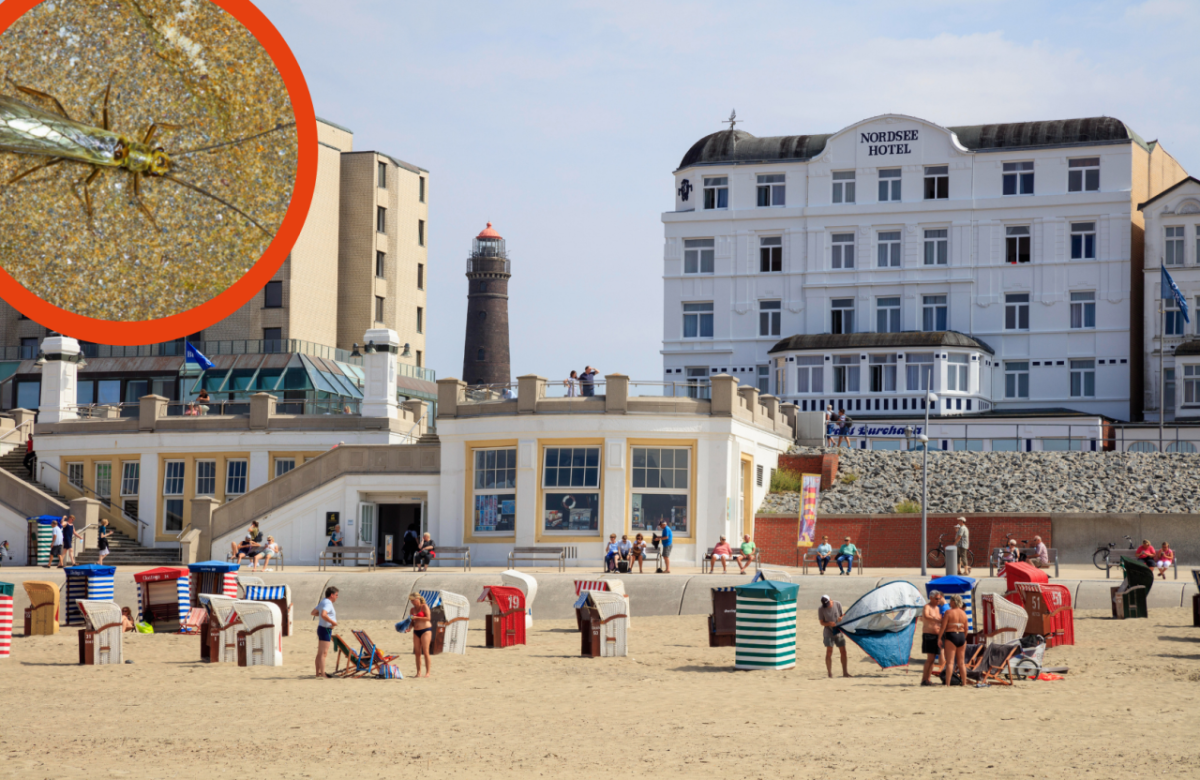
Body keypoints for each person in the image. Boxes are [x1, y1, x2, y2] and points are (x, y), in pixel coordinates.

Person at [938, 594, 969, 686]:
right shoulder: (964, 613)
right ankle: (964, 683)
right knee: (961, 663)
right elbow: (966, 629)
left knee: (950, 662)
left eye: (950, 601)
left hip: (951, 636)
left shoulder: (948, 612)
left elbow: (943, 627)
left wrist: (939, 638)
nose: (949, 602)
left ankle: (947, 683)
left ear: (953, 602)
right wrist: (964, 638)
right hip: (961, 637)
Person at [818, 595, 851, 679]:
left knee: (843, 651)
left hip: (839, 631)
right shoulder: (821, 609)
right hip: (828, 632)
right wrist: (829, 623)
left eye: (828, 603)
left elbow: (842, 616)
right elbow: (822, 623)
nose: (828, 605)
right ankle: (829, 673)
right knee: (829, 651)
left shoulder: (838, 604)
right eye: (826, 604)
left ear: (830, 599)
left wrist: (840, 619)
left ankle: (845, 672)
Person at [312, 586, 339, 679]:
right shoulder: (328, 603)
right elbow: (323, 614)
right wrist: (333, 622)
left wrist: (321, 616)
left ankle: (318, 673)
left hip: (322, 628)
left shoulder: (323, 601)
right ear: (332, 595)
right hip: (326, 629)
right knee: (323, 653)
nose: (337, 597)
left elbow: (313, 612)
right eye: (336, 595)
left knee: (320, 652)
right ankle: (323, 673)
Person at [920, 590, 945, 686]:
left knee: (933, 659)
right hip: (929, 635)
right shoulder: (927, 606)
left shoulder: (937, 608)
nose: (938, 600)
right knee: (930, 659)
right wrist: (936, 619)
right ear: (931, 598)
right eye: (937, 599)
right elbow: (926, 616)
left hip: (937, 635)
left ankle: (928, 679)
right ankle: (924, 679)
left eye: (939, 599)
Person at [405, 593, 433, 678]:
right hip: (416, 631)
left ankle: (427, 672)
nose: (412, 602)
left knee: (425, 651)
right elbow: (412, 622)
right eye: (411, 601)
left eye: (413, 600)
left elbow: (428, 618)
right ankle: (418, 672)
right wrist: (409, 628)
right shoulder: (412, 610)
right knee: (417, 653)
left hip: (426, 630)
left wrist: (417, 618)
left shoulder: (424, 606)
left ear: (418, 599)